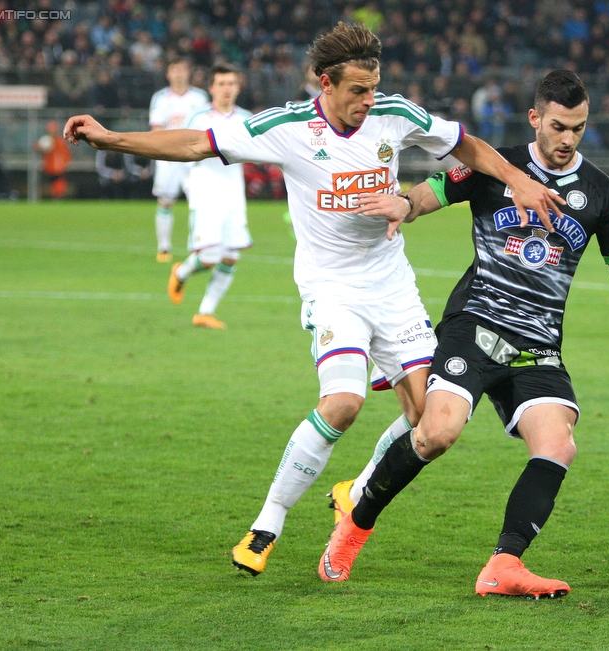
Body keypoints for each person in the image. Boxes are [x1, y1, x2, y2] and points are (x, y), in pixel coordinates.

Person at [62, 21, 561, 577]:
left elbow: (462, 143)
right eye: (357, 91)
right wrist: (111, 139)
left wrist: (515, 177)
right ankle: (267, 523)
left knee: (430, 425)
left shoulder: (396, 114)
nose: (368, 102)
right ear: (326, 83)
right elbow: (193, 143)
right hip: (331, 288)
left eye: (373, 89)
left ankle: (359, 490)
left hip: (392, 286)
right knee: (344, 403)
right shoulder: (287, 126)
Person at [318, 70, 609, 599]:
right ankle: (355, 524)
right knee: (437, 433)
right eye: (557, 126)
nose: (567, 138)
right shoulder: (495, 167)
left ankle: (503, 565)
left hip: (539, 345)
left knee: (558, 445)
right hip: (476, 325)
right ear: (535, 118)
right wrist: (405, 206)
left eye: (577, 128)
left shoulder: (601, 193)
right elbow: (432, 192)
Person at [167, 63, 253, 330]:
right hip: (205, 194)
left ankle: (204, 312)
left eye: (232, 83)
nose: (227, 89)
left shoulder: (246, 119)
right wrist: (190, 187)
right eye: (222, 84)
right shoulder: (199, 118)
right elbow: (180, 153)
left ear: (238, 87)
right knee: (208, 257)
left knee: (230, 257)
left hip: (234, 196)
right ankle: (180, 272)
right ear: (212, 88)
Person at [148, 58, 210, 262]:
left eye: (182, 70)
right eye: (174, 70)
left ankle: (197, 244)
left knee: (198, 201)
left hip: (193, 157)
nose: (179, 74)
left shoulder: (200, 98)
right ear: (168, 74)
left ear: (188, 73)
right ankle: (163, 247)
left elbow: (206, 127)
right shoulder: (160, 98)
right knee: (165, 201)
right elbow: (156, 127)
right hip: (168, 157)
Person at [34, 121, 72, 199]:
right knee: (53, 182)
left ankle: (57, 196)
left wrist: (65, 163)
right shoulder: (47, 140)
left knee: (58, 181)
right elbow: (37, 146)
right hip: (49, 166)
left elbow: (66, 154)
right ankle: (55, 196)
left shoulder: (59, 141)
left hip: (57, 166)